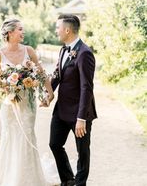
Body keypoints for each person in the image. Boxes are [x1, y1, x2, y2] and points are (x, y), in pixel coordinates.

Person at [0, 19, 55, 186]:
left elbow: (42, 74)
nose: (23, 32)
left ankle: (29, 177)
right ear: (10, 33)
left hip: (27, 102)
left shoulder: (29, 51)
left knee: (27, 133)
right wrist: (6, 86)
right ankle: (10, 176)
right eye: (20, 30)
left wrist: (50, 93)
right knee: (10, 135)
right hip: (8, 104)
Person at [47, 14, 97, 186]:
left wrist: (81, 118)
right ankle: (68, 180)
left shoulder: (85, 53)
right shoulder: (63, 49)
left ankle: (80, 183)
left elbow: (86, 88)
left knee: (82, 152)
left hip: (79, 113)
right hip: (61, 110)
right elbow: (57, 75)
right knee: (54, 144)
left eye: (58, 27)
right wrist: (48, 92)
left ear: (67, 30)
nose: (56, 30)